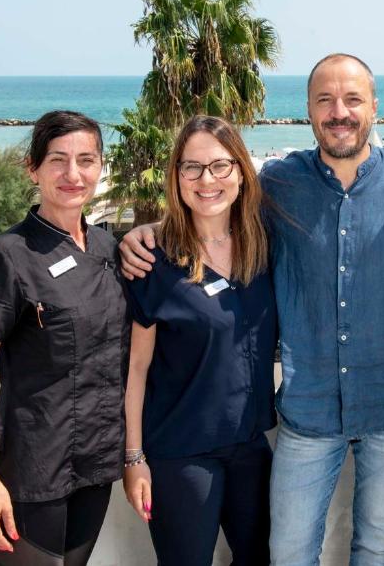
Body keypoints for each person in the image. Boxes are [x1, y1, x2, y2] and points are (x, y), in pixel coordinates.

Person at [118, 53, 384, 564]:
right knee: (288, 552)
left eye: (352, 99)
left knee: (378, 546)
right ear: (308, 109)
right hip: (307, 413)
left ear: (374, 107)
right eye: (325, 100)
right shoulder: (276, 185)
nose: (339, 112)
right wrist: (149, 231)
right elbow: (214, 207)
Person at [0, 111, 130, 564]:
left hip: (95, 463)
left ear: (101, 167)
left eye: (86, 160)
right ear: (32, 169)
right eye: (57, 160)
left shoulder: (111, 250)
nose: (73, 174)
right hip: (29, 470)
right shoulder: (5, 258)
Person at [121, 116, 276, 565]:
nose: (207, 180)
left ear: (241, 173)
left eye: (220, 166)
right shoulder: (152, 260)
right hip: (180, 453)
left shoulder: (264, 247)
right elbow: (136, 369)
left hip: (250, 447)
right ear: (177, 177)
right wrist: (134, 458)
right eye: (192, 167)